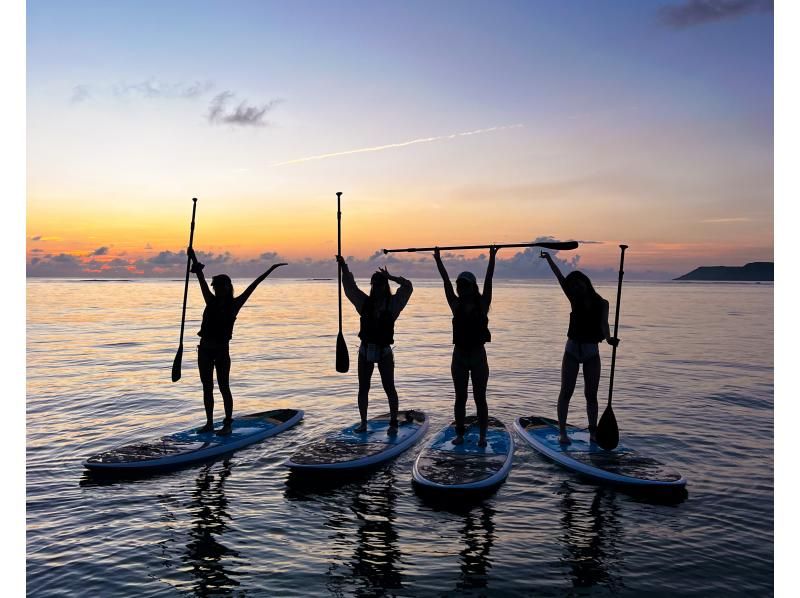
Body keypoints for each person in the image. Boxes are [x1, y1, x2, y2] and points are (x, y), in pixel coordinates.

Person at [188, 247, 286, 435]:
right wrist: (192, 256)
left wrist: (271, 269)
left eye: (218, 286)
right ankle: (209, 423)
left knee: (224, 386)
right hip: (205, 351)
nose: (215, 289)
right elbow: (200, 278)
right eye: (214, 286)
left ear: (226, 287)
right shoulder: (210, 301)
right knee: (207, 388)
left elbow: (254, 285)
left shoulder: (235, 304)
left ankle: (227, 424)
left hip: (221, 352)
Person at [540, 251, 619, 445]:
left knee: (590, 395)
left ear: (586, 282)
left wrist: (609, 339)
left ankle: (593, 432)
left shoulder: (602, 303)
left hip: (592, 352)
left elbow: (604, 325)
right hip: (572, 350)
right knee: (566, 392)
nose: (576, 287)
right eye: (573, 285)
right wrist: (550, 259)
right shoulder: (574, 299)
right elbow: (559, 277)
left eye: (578, 283)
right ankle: (562, 433)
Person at [335, 255, 413, 434]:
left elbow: (408, 286)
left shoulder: (393, 304)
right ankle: (363, 422)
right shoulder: (364, 303)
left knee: (389, 387)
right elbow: (349, 288)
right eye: (374, 285)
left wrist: (391, 277)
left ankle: (393, 423)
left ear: (384, 286)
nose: (376, 288)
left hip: (384, 351)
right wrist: (344, 267)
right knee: (363, 388)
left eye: (379, 284)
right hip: (365, 351)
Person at [433, 246, 497, 447]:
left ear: (472, 287)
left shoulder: (483, 304)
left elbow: (489, 281)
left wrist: (492, 257)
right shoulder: (455, 304)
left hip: (478, 356)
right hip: (459, 357)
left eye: (465, 285)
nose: (461, 288)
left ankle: (482, 437)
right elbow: (445, 281)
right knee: (460, 397)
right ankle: (460, 434)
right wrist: (438, 259)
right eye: (460, 285)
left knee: (480, 398)